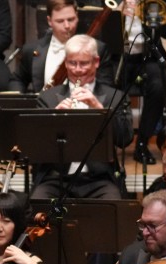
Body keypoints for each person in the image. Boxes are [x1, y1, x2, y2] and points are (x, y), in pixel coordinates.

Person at [32, 34, 132, 200]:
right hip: (57, 177)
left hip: (99, 178)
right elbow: (36, 146)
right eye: (72, 63)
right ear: (65, 62)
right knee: (38, 203)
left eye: (84, 63)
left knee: (113, 204)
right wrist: (52, 119)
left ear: (96, 62)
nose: (77, 69)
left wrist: (100, 109)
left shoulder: (115, 96)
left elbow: (125, 138)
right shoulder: (47, 98)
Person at [114, 0, 166, 165]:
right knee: (107, 86)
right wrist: (118, 13)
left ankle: (142, 143)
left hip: (148, 57)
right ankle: (114, 140)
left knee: (158, 88)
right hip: (120, 57)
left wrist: (151, 15)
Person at [16, 0, 115, 93]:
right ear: (49, 21)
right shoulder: (31, 49)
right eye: (60, 21)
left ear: (77, 16)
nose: (67, 25)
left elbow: (106, 89)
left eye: (71, 19)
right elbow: (17, 80)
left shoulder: (98, 49)